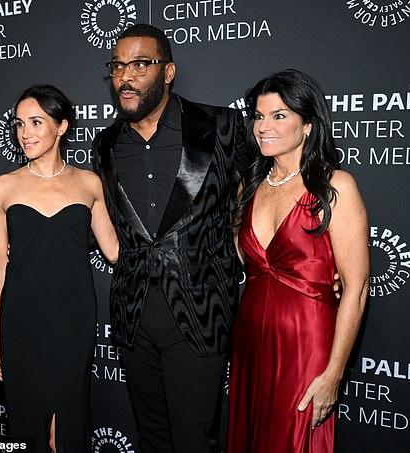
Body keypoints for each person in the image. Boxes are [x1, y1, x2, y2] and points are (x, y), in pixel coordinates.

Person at [92, 24, 248, 453]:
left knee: (196, 439)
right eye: (118, 65)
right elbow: (100, 215)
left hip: (202, 308)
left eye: (140, 64)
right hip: (133, 311)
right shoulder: (104, 144)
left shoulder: (222, 125)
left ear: (168, 71)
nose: (126, 76)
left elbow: (263, 188)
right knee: (152, 437)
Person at [227, 69, 369, 453]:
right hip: (249, 340)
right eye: (258, 116)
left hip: (306, 344)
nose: (264, 126)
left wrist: (334, 374)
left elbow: (355, 290)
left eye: (279, 115)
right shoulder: (249, 186)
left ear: (307, 125)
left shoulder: (335, 185)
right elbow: (249, 262)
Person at [0, 84, 118, 452]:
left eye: (35, 122)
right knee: (27, 424)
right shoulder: (2, 187)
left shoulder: (89, 183)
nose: (25, 133)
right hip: (21, 319)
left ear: (61, 126)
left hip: (73, 317)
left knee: (68, 425)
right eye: (19, 124)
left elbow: (113, 251)